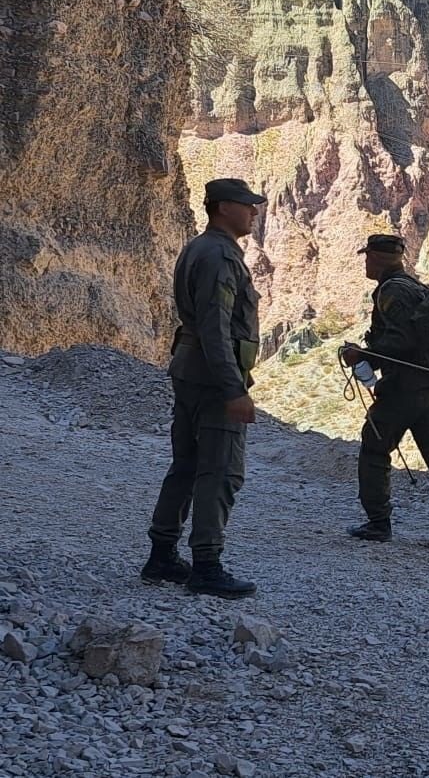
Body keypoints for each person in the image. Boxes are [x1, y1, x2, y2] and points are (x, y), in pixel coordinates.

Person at [141, 178, 266, 598]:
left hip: (193, 369)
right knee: (221, 470)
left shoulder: (204, 247)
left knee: (188, 464)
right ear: (223, 207)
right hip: (214, 377)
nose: (253, 211)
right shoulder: (218, 255)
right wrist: (234, 388)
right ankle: (206, 565)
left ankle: (162, 555)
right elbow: (216, 327)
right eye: (247, 205)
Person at [343, 234, 429, 550]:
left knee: (375, 446)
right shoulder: (415, 287)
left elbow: (403, 341)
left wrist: (362, 355)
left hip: (405, 388)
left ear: (377, 258)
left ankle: (378, 522)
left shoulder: (392, 291)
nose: (365, 262)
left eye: (367, 256)